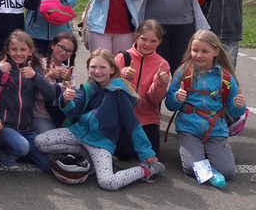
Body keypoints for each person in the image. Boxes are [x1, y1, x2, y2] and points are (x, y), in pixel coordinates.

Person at [35, 48, 166, 191]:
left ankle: (147, 170)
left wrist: (145, 150)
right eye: (93, 67)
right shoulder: (87, 87)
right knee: (40, 142)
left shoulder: (119, 92)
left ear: (112, 69)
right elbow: (73, 111)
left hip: (101, 143)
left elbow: (132, 123)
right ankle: (83, 152)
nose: (97, 71)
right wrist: (66, 100)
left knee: (108, 182)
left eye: (103, 67)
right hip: (78, 133)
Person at [165, 30, 246, 182]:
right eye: (195, 50)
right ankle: (197, 151)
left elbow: (234, 111)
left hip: (216, 129)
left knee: (227, 172)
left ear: (216, 51)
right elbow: (170, 104)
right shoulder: (183, 73)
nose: (199, 55)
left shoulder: (225, 77)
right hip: (189, 128)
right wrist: (177, 98)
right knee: (191, 168)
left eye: (205, 51)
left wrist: (238, 105)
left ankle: (209, 153)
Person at [0, 30, 55, 171]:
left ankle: (19, 150)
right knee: (22, 147)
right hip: (4, 126)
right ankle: (5, 151)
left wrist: (35, 77)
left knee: (48, 165)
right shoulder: (1, 68)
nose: (18, 53)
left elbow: (51, 95)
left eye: (23, 49)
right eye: (14, 49)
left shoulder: (33, 71)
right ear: (7, 50)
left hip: (27, 128)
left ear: (30, 51)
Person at [113, 20, 170, 160]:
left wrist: (160, 83)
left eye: (153, 41)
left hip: (148, 117)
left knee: (151, 153)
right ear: (136, 36)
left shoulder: (163, 64)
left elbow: (155, 99)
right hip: (123, 115)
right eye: (143, 39)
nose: (147, 44)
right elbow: (108, 87)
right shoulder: (122, 57)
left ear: (159, 42)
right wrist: (122, 75)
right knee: (124, 154)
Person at [34, 32, 79, 134]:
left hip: (61, 117)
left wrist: (67, 80)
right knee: (49, 140)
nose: (63, 52)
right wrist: (49, 78)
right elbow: (38, 95)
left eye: (68, 51)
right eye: (61, 47)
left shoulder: (69, 72)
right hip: (40, 115)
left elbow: (71, 103)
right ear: (53, 45)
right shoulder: (39, 64)